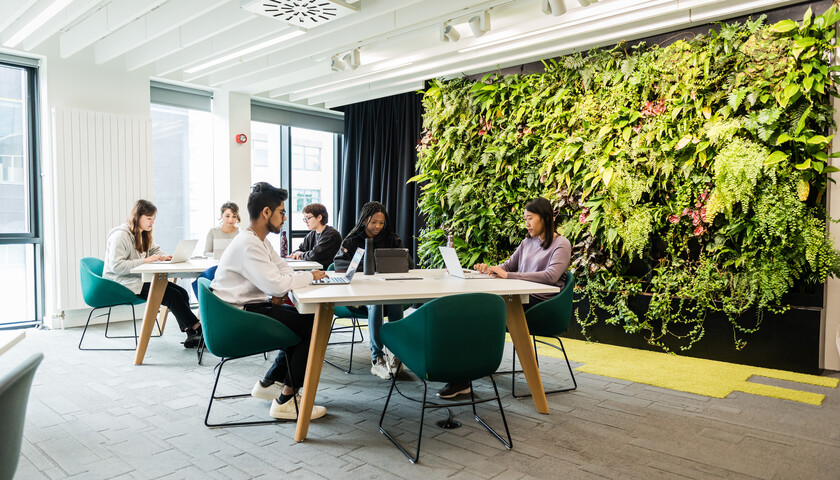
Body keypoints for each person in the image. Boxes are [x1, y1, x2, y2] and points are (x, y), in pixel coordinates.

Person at [210, 182, 329, 420]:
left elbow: (282, 269)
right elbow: (276, 284)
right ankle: (286, 400)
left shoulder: (257, 240)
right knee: (313, 325)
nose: (285, 218)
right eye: (282, 212)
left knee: (305, 319)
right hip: (236, 317)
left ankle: (270, 383)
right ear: (266, 212)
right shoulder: (248, 245)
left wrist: (285, 282)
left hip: (243, 309)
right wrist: (309, 276)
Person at [437, 197, 572, 399]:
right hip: (519, 297)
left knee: (480, 315)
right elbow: (507, 266)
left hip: (541, 304)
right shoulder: (528, 242)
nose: (526, 224)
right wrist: (490, 269)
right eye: (525, 219)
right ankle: (462, 372)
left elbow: (551, 276)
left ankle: (463, 379)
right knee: (471, 312)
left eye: (530, 218)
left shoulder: (561, 244)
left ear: (544, 218)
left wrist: (508, 275)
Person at [103, 199, 203, 348]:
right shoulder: (120, 236)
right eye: (149, 219)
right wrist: (146, 261)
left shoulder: (142, 234)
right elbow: (117, 266)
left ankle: (192, 334)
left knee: (181, 292)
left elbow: (154, 250)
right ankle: (198, 329)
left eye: (154, 219)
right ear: (137, 217)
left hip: (137, 279)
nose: (152, 223)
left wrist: (163, 256)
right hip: (121, 283)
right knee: (172, 296)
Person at [334, 201, 413, 380]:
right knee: (376, 302)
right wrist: (371, 266)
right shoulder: (352, 240)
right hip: (359, 295)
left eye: (381, 222)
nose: (378, 226)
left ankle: (395, 353)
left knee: (395, 302)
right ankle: (377, 357)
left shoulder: (391, 238)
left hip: (388, 291)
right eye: (373, 222)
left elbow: (408, 263)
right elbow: (339, 264)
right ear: (364, 220)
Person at [288, 203, 342, 270]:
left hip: (327, 273)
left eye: (308, 218)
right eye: (304, 219)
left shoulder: (332, 235)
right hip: (315, 271)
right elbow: (300, 249)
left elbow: (315, 255)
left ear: (319, 217)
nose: (306, 222)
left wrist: (300, 254)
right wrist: (296, 254)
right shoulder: (312, 234)